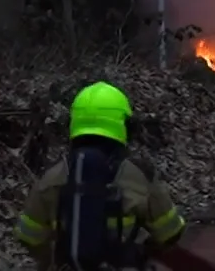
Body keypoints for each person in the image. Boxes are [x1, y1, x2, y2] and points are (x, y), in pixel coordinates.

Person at [16, 81, 188, 269]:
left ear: (73, 122)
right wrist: (142, 252)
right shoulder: (138, 175)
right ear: (124, 125)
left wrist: (51, 259)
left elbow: (28, 237)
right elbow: (170, 233)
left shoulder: (52, 177)